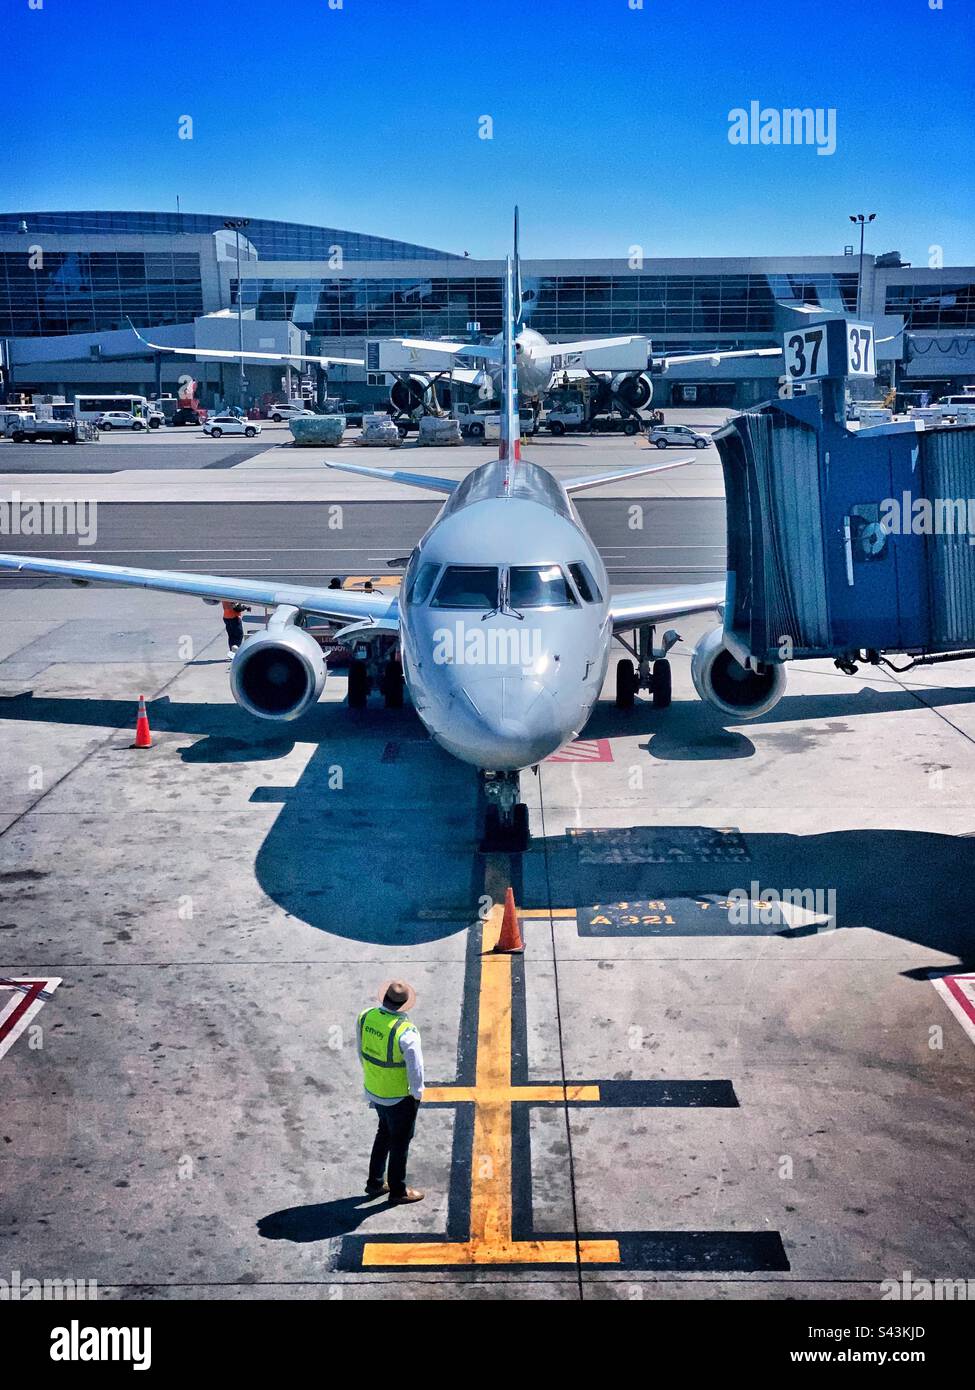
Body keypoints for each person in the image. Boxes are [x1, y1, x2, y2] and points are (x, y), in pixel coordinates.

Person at [357, 980, 424, 1204]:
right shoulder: (406, 1032)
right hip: (398, 1096)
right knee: (400, 1142)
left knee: (383, 1133)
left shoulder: (365, 1017)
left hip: (374, 1088)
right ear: (405, 1005)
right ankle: (398, 1190)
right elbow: (416, 1068)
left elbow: (361, 1051)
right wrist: (417, 1094)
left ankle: (375, 1182)